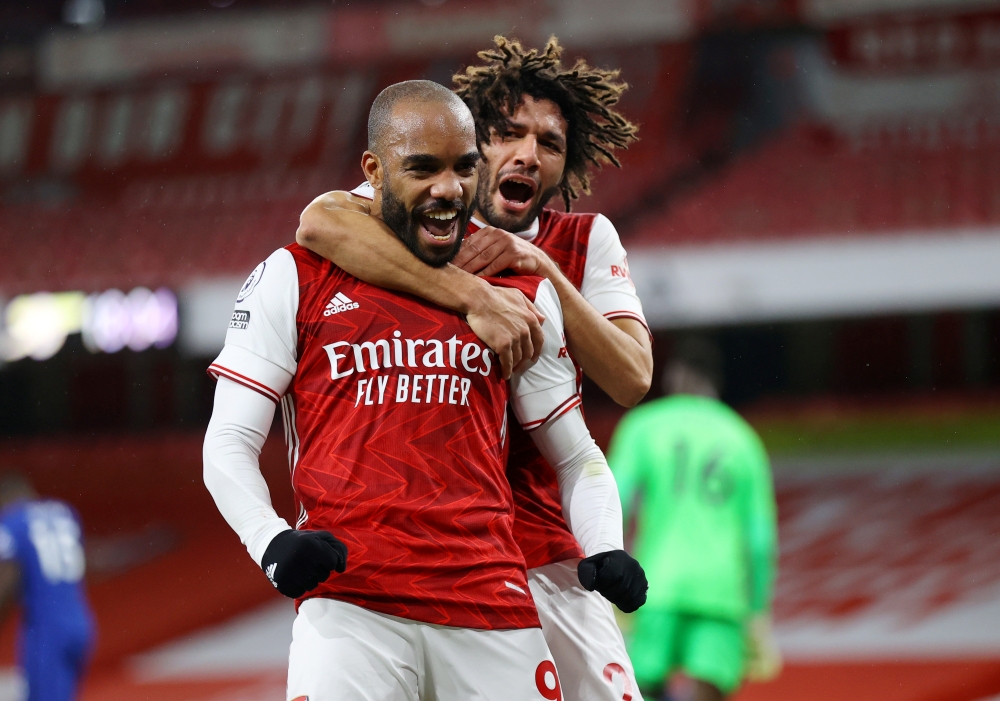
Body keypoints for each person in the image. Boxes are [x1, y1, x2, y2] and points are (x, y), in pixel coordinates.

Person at [203, 79, 645, 701]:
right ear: (374, 173)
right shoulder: (294, 274)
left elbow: (582, 446)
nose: (448, 188)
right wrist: (271, 541)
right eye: (422, 169)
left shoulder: (526, 288)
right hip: (355, 601)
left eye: (463, 168)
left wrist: (606, 546)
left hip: (500, 589)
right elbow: (228, 440)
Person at [608, 337, 782, 701]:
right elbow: (761, 540)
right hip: (721, 593)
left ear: (673, 376)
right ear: (715, 383)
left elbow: (612, 503)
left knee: (643, 688)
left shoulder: (644, 425)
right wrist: (758, 611)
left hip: (655, 587)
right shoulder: (742, 438)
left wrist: (610, 584)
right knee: (708, 693)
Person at [0, 472, 95, 701]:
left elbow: (9, 577)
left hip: (46, 626)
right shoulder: (64, 513)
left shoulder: (13, 522)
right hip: (80, 621)